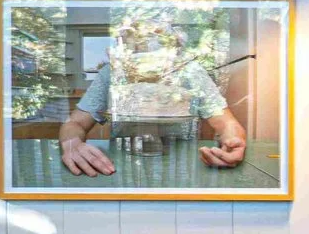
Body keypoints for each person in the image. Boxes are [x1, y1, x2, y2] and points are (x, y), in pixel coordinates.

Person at [59, 62, 248, 176]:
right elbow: (75, 123)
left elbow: (227, 123)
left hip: (183, 167)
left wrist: (232, 143)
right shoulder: (113, 72)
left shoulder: (192, 73)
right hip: (121, 167)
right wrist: (71, 144)